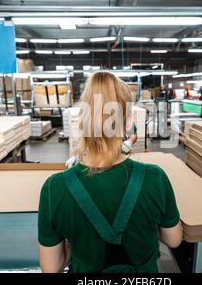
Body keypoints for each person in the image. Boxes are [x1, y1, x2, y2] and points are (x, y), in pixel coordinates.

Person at [38, 71, 182, 273]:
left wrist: (73, 242)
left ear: (82, 121)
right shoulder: (154, 177)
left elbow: (51, 268)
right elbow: (173, 240)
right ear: (128, 122)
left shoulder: (54, 188)